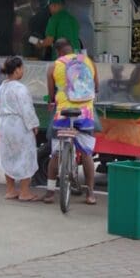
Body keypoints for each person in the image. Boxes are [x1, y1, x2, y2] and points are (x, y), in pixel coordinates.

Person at [41, 39, 99, 206]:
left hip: (63, 114)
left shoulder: (54, 66)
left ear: (58, 52)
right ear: (72, 49)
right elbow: (96, 88)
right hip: (85, 113)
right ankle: (90, 194)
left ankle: (50, 192)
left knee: (55, 152)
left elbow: (51, 95)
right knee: (87, 153)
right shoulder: (87, 61)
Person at [0, 56, 41, 202]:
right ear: (16, 70)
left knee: (8, 155)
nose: (23, 70)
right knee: (25, 155)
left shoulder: (1, 88)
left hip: (4, 125)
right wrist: (34, 125)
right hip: (19, 126)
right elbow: (27, 109)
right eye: (22, 68)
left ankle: (10, 190)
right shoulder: (20, 89)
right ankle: (24, 192)